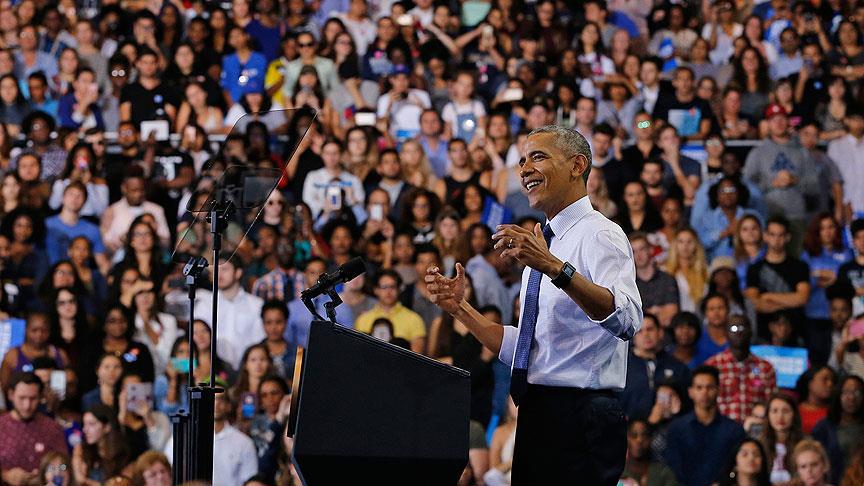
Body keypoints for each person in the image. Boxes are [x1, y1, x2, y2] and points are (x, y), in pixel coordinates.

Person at [426, 125, 642, 482]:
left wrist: (555, 268)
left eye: (538, 157)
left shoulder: (599, 234)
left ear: (577, 166)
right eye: (523, 160)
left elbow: (628, 318)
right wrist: (459, 308)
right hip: (539, 411)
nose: (524, 168)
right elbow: (526, 348)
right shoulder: (545, 245)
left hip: (581, 418)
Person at [663, 365, 746, 486]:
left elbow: (736, 468)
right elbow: (673, 467)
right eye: (699, 387)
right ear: (690, 392)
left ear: (718, 390)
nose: (704, 392)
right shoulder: (677, 429)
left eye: (709, 387)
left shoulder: (734, 430)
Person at [194, 254, 266, 370]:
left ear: (238, 273)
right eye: (216, 270)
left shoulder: (257, 305)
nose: (219, 274)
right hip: (213, 372)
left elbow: (260, 342)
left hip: (247, 371)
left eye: (224, 269)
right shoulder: (204, 305)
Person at [744, 216, 811, 341]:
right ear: (765, 236)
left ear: (787, 237)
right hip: (764, 334)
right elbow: (755, 302)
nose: (776, 239)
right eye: (772, 234)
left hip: (796, 332)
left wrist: (768, 296)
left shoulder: (800, 266)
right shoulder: (754, 268)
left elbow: (802, 298)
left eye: (780, 235)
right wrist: (788, 301)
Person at [705, 317, 777, 423]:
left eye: (742, 328)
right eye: (733, 328)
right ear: (726, 333)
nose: (738, 332)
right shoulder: (712, 365)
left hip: (755, 429)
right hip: (719, 429)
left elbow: (771, 404)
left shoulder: (765, 368)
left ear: (751, 332)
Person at [0, 372, 67, 485]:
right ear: (11, 395)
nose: (27, 405)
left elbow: (64, 466)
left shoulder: (52, 428)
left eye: (33, 398)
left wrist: (46, 472)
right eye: (22, 398)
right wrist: (5, 475)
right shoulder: (1, 425)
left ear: (41, 397)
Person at [621, 313, 691, 421]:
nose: (646, 335)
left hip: (669, 431)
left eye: (650, 329)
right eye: (640, 331)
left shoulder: (678, 367)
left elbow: (688, 404)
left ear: (660, 332)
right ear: (633, 336)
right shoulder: (622, 367)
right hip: (632, 433)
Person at [355, 270, 427, 354]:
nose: (388, 291)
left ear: (399, 289)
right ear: (376, 290)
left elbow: (417, 357)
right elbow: (357, 352)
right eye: (384, 287)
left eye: (392, 287)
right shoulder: (363, 319)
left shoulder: (414, 319)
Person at [631, 232, 680, 328]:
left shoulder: (667, 279)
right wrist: (658, 311)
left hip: (667, 337)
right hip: (638, 339)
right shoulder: (629, 284)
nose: (638, 255)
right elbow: (631, 320)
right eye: (633, 251)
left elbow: (672, 316)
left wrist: (645, 313)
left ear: (650, 250)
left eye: (642, 249)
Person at [619, 418, 679, 485]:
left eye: (644, 435)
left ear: (650, 439)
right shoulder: (616, 473)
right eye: (634, 435)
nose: (639, 441)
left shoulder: (662, 473)